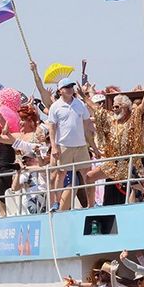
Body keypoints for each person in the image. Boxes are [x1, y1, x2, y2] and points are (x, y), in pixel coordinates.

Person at [89, 83, 144, 205]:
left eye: (117, 106)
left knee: (131, 192)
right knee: (89, 177)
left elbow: (143, 107)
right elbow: (97, 109)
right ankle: (90, 205)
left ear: (125, 107)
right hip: (113, 163)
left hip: (129, 163)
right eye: (113, 107)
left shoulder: (132, 118)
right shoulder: (111, 119)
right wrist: (84, 97)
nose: (114, 109)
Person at [47, 78, 95, 211]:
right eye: (67, 87)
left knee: (87, 174)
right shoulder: (55, 106)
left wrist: (98, 134)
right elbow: (52, 127)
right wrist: (54, 146)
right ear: (60, 91)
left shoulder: (80, 104)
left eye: (71, 87)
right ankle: (56, 202)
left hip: (81, 145)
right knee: (61, 174)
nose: (70, 89)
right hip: (64, 145)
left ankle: (92, 203)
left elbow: (87, 123)